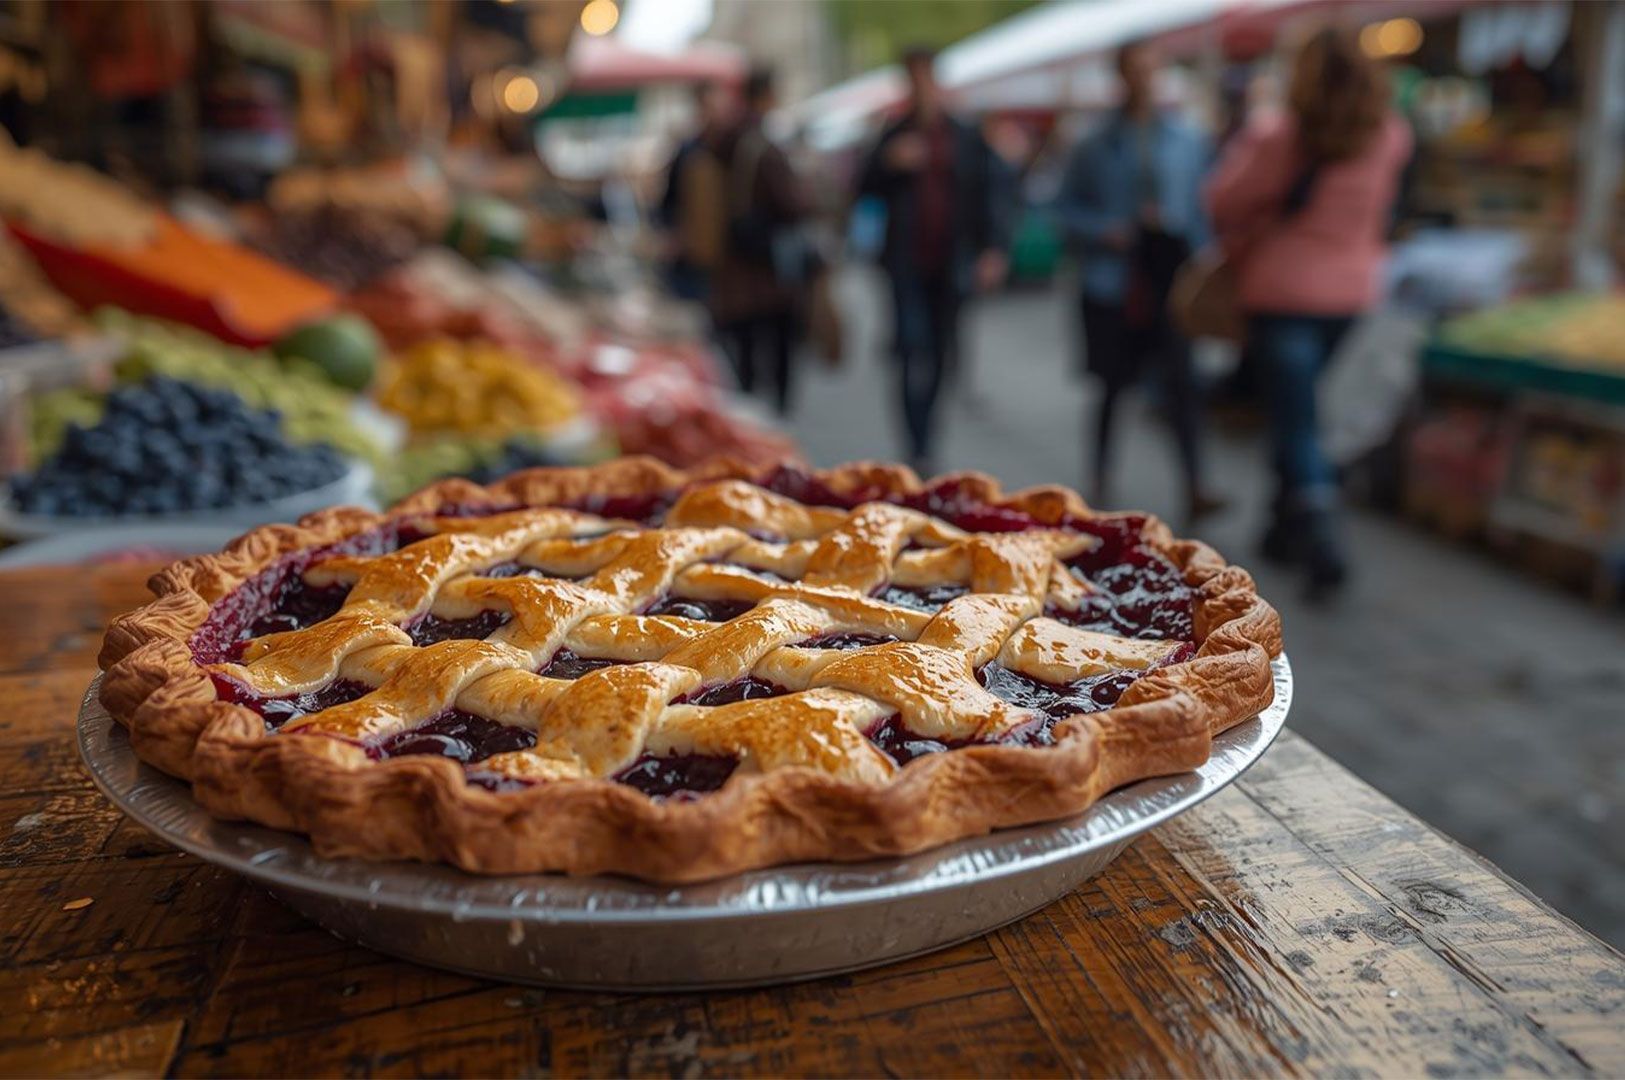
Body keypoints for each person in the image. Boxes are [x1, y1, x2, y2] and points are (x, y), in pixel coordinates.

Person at [1206, 26, 1411, 598]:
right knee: (1301, 415)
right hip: (1354, 297)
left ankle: (1323, 541)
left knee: (1296, 423)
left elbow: (1220, 200)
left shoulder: (1280, 136)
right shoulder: (1391, 135)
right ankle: (1281, 529)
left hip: (1285, 296)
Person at [1053, 41, 1222, 521]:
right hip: (1115, 283)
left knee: (1182, 384)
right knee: (1112, 386)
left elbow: (1203, 209)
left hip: (1171, 278)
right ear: (1121, 78)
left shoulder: (1187, 140)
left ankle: (1195, 484)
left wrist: (1205, 263)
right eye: (1135, 71)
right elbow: (1063, 209)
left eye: (1151, 70)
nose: (1144, 80)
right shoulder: (1094, 143)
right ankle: (1099, 479)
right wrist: (1102, 230)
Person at [856, 46, 1008, 475]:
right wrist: (889, 163)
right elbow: (863, 188)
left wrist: (993, 248)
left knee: (941, 350)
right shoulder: (893, 134)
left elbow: (992, 193)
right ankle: (915, 440)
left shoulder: (964, 136)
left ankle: (929, 433)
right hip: (905, 263)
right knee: (909, 347)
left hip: (950, 261)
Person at [708, 68, 807, 416]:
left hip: (731, 257)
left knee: (745, 342)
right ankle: (776, 408)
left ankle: (748, 402)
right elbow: (791, 204)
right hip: (765, 261)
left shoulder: (720, 139)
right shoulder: (762, 144)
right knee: (778, 337)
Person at [656, 81, 735, 304]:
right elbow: (668, 202)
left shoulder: (731, 147)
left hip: (727, 260)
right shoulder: (689, 151)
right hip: (693, 257)